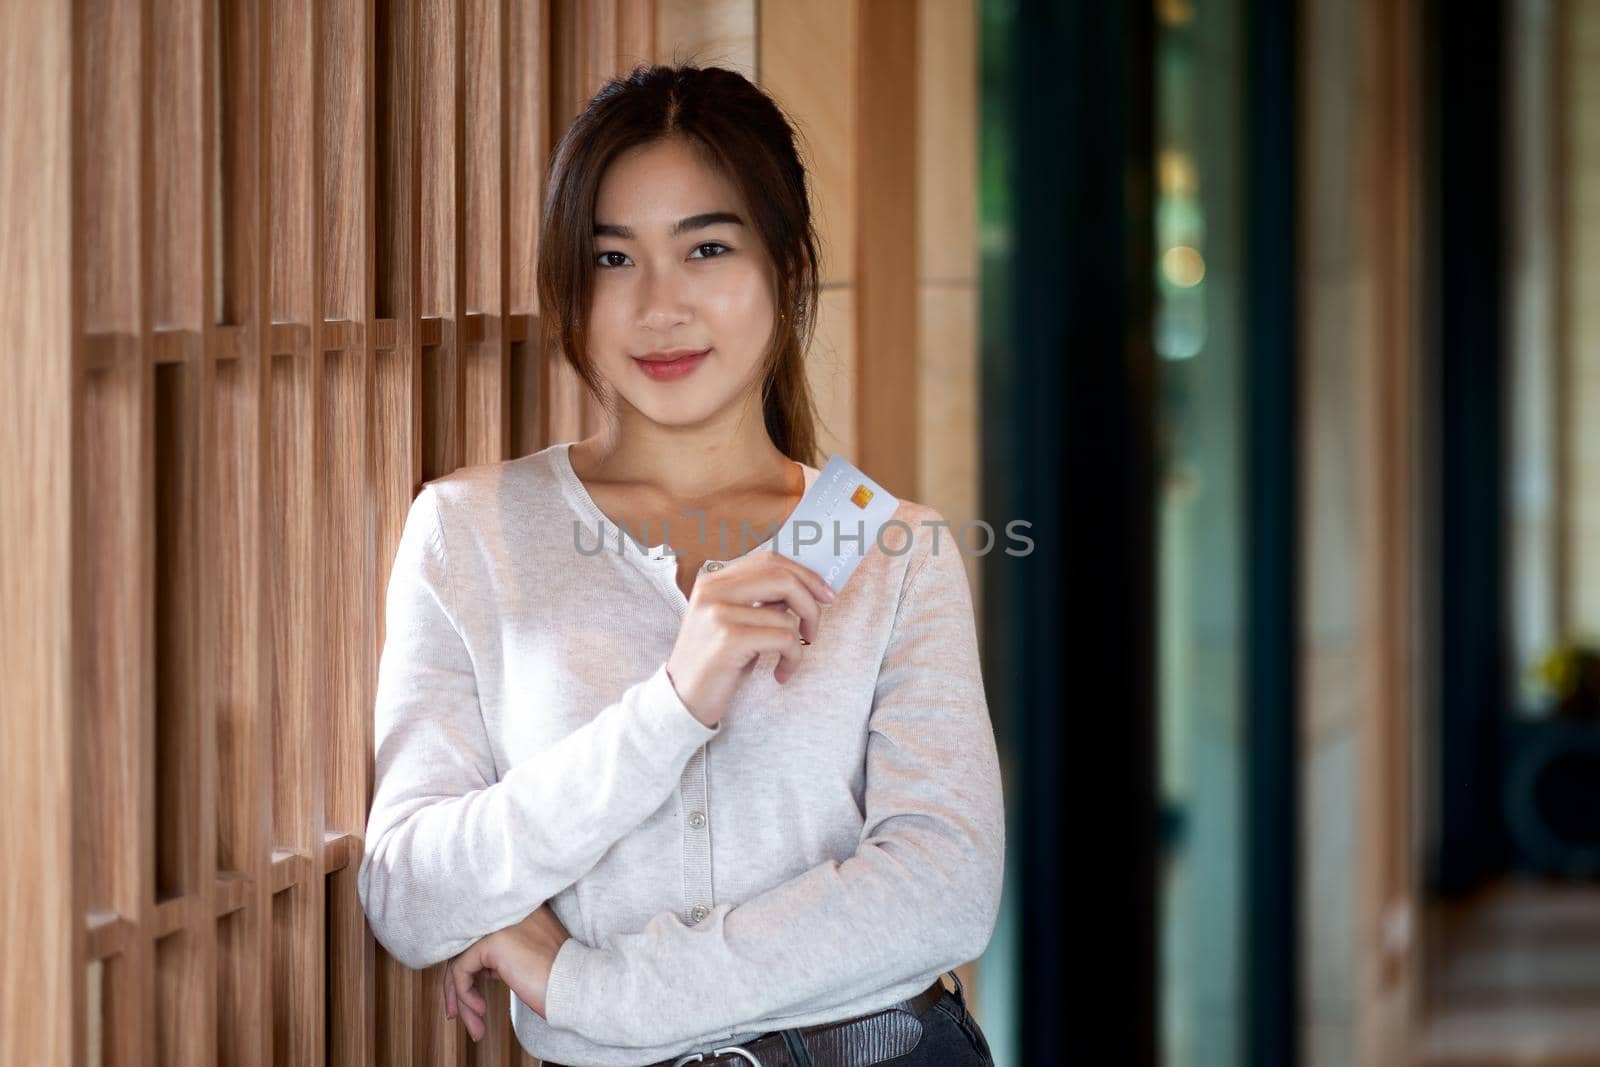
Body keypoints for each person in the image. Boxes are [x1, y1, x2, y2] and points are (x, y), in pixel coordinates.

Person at [356, 63, 1004, 1067]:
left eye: (705, 247)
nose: (659, 306)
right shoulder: (470, 531)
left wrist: (590, 986)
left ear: (787, 271)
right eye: (613, 259)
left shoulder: (887, 550)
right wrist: (670, 706)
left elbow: (943, 887)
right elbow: (409, 890)